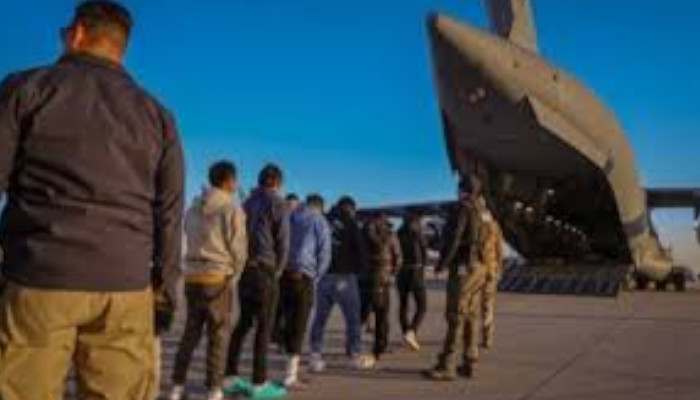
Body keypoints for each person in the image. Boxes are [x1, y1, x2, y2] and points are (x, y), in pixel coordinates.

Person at [0, 2, 185, 399]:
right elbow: (169, 211)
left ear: (78, 33)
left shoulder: (26, 88)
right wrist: (166, 288)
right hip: (125, 283)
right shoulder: (157, 114)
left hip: (39, 274)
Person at [169, 161, 248, 400]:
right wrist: (235, 275)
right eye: (235, 180)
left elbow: (187, 235)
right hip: (217, 277)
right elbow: (238, 248)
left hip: (192, 276)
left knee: (190, 334)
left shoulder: (193, 208)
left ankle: (176, 387)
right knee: (218, 336)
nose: (236, 184)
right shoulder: (231, 207)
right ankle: (214, 389)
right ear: (228, 181)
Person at [223, 164, 290, 400]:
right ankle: (259, 383)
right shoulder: (278, 203)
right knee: (264, 327)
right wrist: (278, 270)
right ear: (278, 183)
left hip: (246, 271)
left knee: (243, 323)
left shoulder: (247, 203)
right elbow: (283, 241)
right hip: (265, 269)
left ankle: (229, 376)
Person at [425, 176, 487, 381]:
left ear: (463, 190)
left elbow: (455, 238)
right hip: (479, 267)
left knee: (455, 315)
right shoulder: (482, 211)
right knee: (471, 315)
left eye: (458, 189)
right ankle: (470, 362)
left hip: (463, 267)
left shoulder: (462, 208)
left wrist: (442, 263)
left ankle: (447, 365)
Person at [309, 196, 373, 371]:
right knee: (353, 319)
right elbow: (361, 250)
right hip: (345, 277)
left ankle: (315, 355)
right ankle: (354, 355)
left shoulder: (321, 221)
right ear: (350, 208)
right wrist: (360, 272)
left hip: (323, 276)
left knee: (319, 319)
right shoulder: (350, 223)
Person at [280, 194, 332, 387]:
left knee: (287, 321)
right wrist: (316, 276)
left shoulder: (289, 216)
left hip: (284, 275)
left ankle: (288, 367)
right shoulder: (319, 220)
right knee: (300, 325)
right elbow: (324, 253)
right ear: (320, 206)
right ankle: (290, 375)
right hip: (304, 276)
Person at [363, 212, 403, 367]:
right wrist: (393, 273)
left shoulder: (364, 232)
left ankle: (354, 346)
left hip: (365, 277)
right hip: (383, 278)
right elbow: (398, 258)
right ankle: (380, 346)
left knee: (362, 312)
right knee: (382, 314)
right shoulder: (390, 235)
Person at [272, 192, 303, 349]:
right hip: (279, 269)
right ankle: (277, 337)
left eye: (294, 205)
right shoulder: (279, 220)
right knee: (278, 307)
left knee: (291, 309)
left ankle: (284, 339)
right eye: (289, 205)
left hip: (293, 270)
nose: (291, 208)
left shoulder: (302, 223)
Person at [396, 213, 428, 351]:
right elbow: (424, 252)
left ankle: (406, 331)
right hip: (416, 271)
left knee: (403, 304)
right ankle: (411, 331)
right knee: (422, 305)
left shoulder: (398, 234)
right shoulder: (418, 234)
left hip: (401, 272)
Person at [479, 204, 504, 350]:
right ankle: (487, 336)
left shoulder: (474, 223)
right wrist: (499, 269)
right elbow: (499, 249)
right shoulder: (495, 225)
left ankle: (469, 335)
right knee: (487, 304)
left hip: (476, 270)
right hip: (491, 269)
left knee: (470, 304)